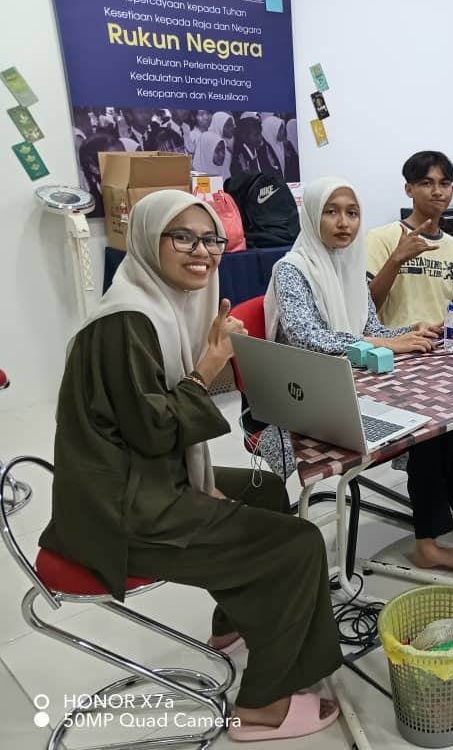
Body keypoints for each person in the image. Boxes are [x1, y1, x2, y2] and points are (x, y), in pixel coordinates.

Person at [38, 190, 343, 741]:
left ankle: (235, 624)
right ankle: (263, 705)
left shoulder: (156, 304)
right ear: (146, 241)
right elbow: (154, 432)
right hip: (119, 510)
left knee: (265, 490)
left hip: (139, 477)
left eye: (210, 239)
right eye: (182, 237)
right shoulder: (126, 321)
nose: (201, 251)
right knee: (298, 544)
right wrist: (209, 365)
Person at [260, 178, 453, 571]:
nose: (344, 222)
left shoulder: (348, 267)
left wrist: (413, 331)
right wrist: (385, 343)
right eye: (331, 212)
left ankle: (441, 531)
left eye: (352, 213)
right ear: (312, 215)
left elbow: (372, 330)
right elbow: (307, 339)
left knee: (438, 417)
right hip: (307, 397)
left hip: (355, 383)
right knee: (427, 427)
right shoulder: (292, 269)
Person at [367, 150, 453, 328]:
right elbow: (366, 310)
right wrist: (396, 260)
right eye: (427, 183)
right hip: (395, 342)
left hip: (440, 341)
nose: (437, 192)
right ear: (409, 189)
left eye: (444, 184)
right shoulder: (380, 238)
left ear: (452, 190)